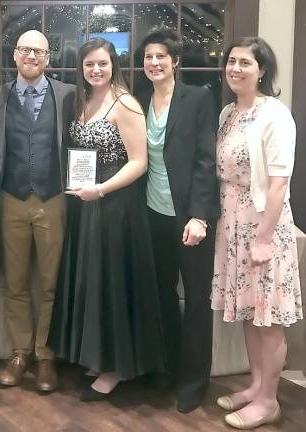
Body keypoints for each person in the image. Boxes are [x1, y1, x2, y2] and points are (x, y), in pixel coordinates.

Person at [48, 38, 165, 401]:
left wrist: (100, 190)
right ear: (80, 68)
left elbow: (138, 162)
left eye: (102, 63)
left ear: (113, 64)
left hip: (116, 207)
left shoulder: (125, 102)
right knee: (92, 283)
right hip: (85, 205)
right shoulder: (81, 101)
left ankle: (116, 367)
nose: (95, 70)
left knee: (112, 283)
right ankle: (98, 357)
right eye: (88, 65)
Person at [212, 37, 303, 429]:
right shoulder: (229, 113)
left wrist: (264, 239)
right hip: (232, 222)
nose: (235, 68)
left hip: (264, 226)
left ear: (262, 70)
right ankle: (255, 385)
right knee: (251, 312)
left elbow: (280, 182)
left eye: (245, 63)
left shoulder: (276, 114)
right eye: (231, 61)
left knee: (269, 317)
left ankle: (269, 401)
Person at [136, 27, 220, 413]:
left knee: (197, 300)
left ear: (176, 62)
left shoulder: (198, 99)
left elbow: (207, 161)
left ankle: (193, 380)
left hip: (191, 219)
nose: (154, 63)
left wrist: (200, 216)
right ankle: (166, 369)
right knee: (162, 296)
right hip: (154, 215)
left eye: (161, 56)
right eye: (149, 57)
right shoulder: (139, 101)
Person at [0, 30, 75, 392]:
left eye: (38, 51)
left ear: (48, 58)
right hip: (11, 197)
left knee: (51, 282)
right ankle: (20, 351)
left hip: (53, 197)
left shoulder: (68, 95)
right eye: (25, 50)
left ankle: (46, 355)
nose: (31, 56)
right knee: (16, 280)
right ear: (15, 56)